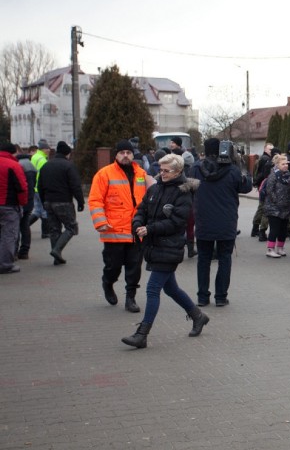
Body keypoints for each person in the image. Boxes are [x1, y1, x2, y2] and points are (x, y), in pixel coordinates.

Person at [122, 153, 208, 349]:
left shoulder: (183, 193)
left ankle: (142, 334)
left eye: (166, 170)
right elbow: (142, 209)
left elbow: (177, 222)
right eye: (160, 170)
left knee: (153, 289)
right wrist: (137, 223)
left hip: (170, 247)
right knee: (171, 288)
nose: (162, 173)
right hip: (154, 246)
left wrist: (150, 229)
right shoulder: (155, 188)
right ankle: (198, 316)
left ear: (178, 171)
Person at [189, 138, 252, 307]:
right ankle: (221, 297)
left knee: (203, 259)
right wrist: (242, 166)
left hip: (203, 221)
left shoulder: (195, 168)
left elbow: (188, 190)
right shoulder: (232, 170)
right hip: (226, 222)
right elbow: (246, 187)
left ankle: (203, 297)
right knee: (224, 258)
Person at [89, 140, 150, 312]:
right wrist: (100, 222)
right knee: (113, 266)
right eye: (122, 152)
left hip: (136, 230)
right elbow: (95, 200)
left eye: (128, 153)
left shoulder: (141, 174)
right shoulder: (104, 174)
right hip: (113, 230)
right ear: (116, 155)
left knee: (134, 267)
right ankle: (108, 282)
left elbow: (147, 201)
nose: (125, 155)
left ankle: (130, 298)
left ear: (133, 155)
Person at [36, 141, 84, 265]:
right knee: (71, 227)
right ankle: (57, 250)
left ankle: (57, 257)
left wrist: (43, 201)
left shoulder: (46, 166)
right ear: (67, 154)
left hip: (48, 201)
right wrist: (80, 201)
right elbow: (75, 185)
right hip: (63, 202)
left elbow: (40, 186)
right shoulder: (68, 166)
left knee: (54, 229)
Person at [0, 142, 28, 275]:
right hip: (8, 205)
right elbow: (22, 187)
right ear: (12, 152)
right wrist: (23, 203)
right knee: (9, 235)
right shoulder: (13, 165)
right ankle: (5, 264)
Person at [260, 153, 290, 258]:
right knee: (275, 229)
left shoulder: (288, 175)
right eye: (283, 164)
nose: (285, 165)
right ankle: (270, 249)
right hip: (274, 207)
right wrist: (276, 201)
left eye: (286, 164)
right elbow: (270, 190)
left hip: (286, 206)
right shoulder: (273, 175)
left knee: (283, 229)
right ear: (277, 165)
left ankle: (280, 248)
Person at [251, 142, 276, 241]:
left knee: (261, 208)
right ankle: (259, 230)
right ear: (265, 149)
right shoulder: (266, 160)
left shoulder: (261, 158)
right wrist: (257, 181)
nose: (271, 151)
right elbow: (262, 174)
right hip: (264, 186)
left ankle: (255, 229)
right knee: (264, 209)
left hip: (261, 185)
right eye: (270, 149)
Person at [15, 148, 36, 261]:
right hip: (30, 199)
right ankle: (24, 251)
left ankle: (14, 251)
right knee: (25, 226)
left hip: (19, 200)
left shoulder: (17, 165)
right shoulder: (31, 165)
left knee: (14, 227)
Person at [29, 139, 50, 239]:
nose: (49, 150)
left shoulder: (34, 156)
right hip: (40, 188)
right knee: (44, 211)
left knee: (37, 210)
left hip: (34, 187)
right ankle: (45, 232)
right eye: (47, 148)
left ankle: (24, 226)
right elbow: (45, 175)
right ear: (44, 149)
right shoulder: (42, 159)